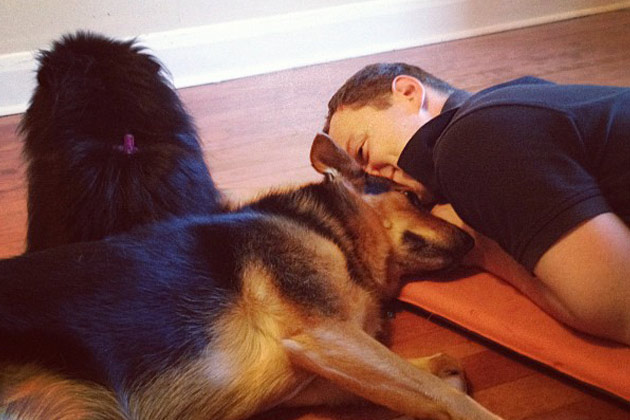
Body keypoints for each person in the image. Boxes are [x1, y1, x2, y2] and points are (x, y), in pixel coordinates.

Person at [323, 62, 630, 346]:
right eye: (364, 179)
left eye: (362, 151)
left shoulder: (471, 139)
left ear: (408, 92)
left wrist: (480, 247)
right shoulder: (512, 101)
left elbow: (615, 305)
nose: (374, 177)